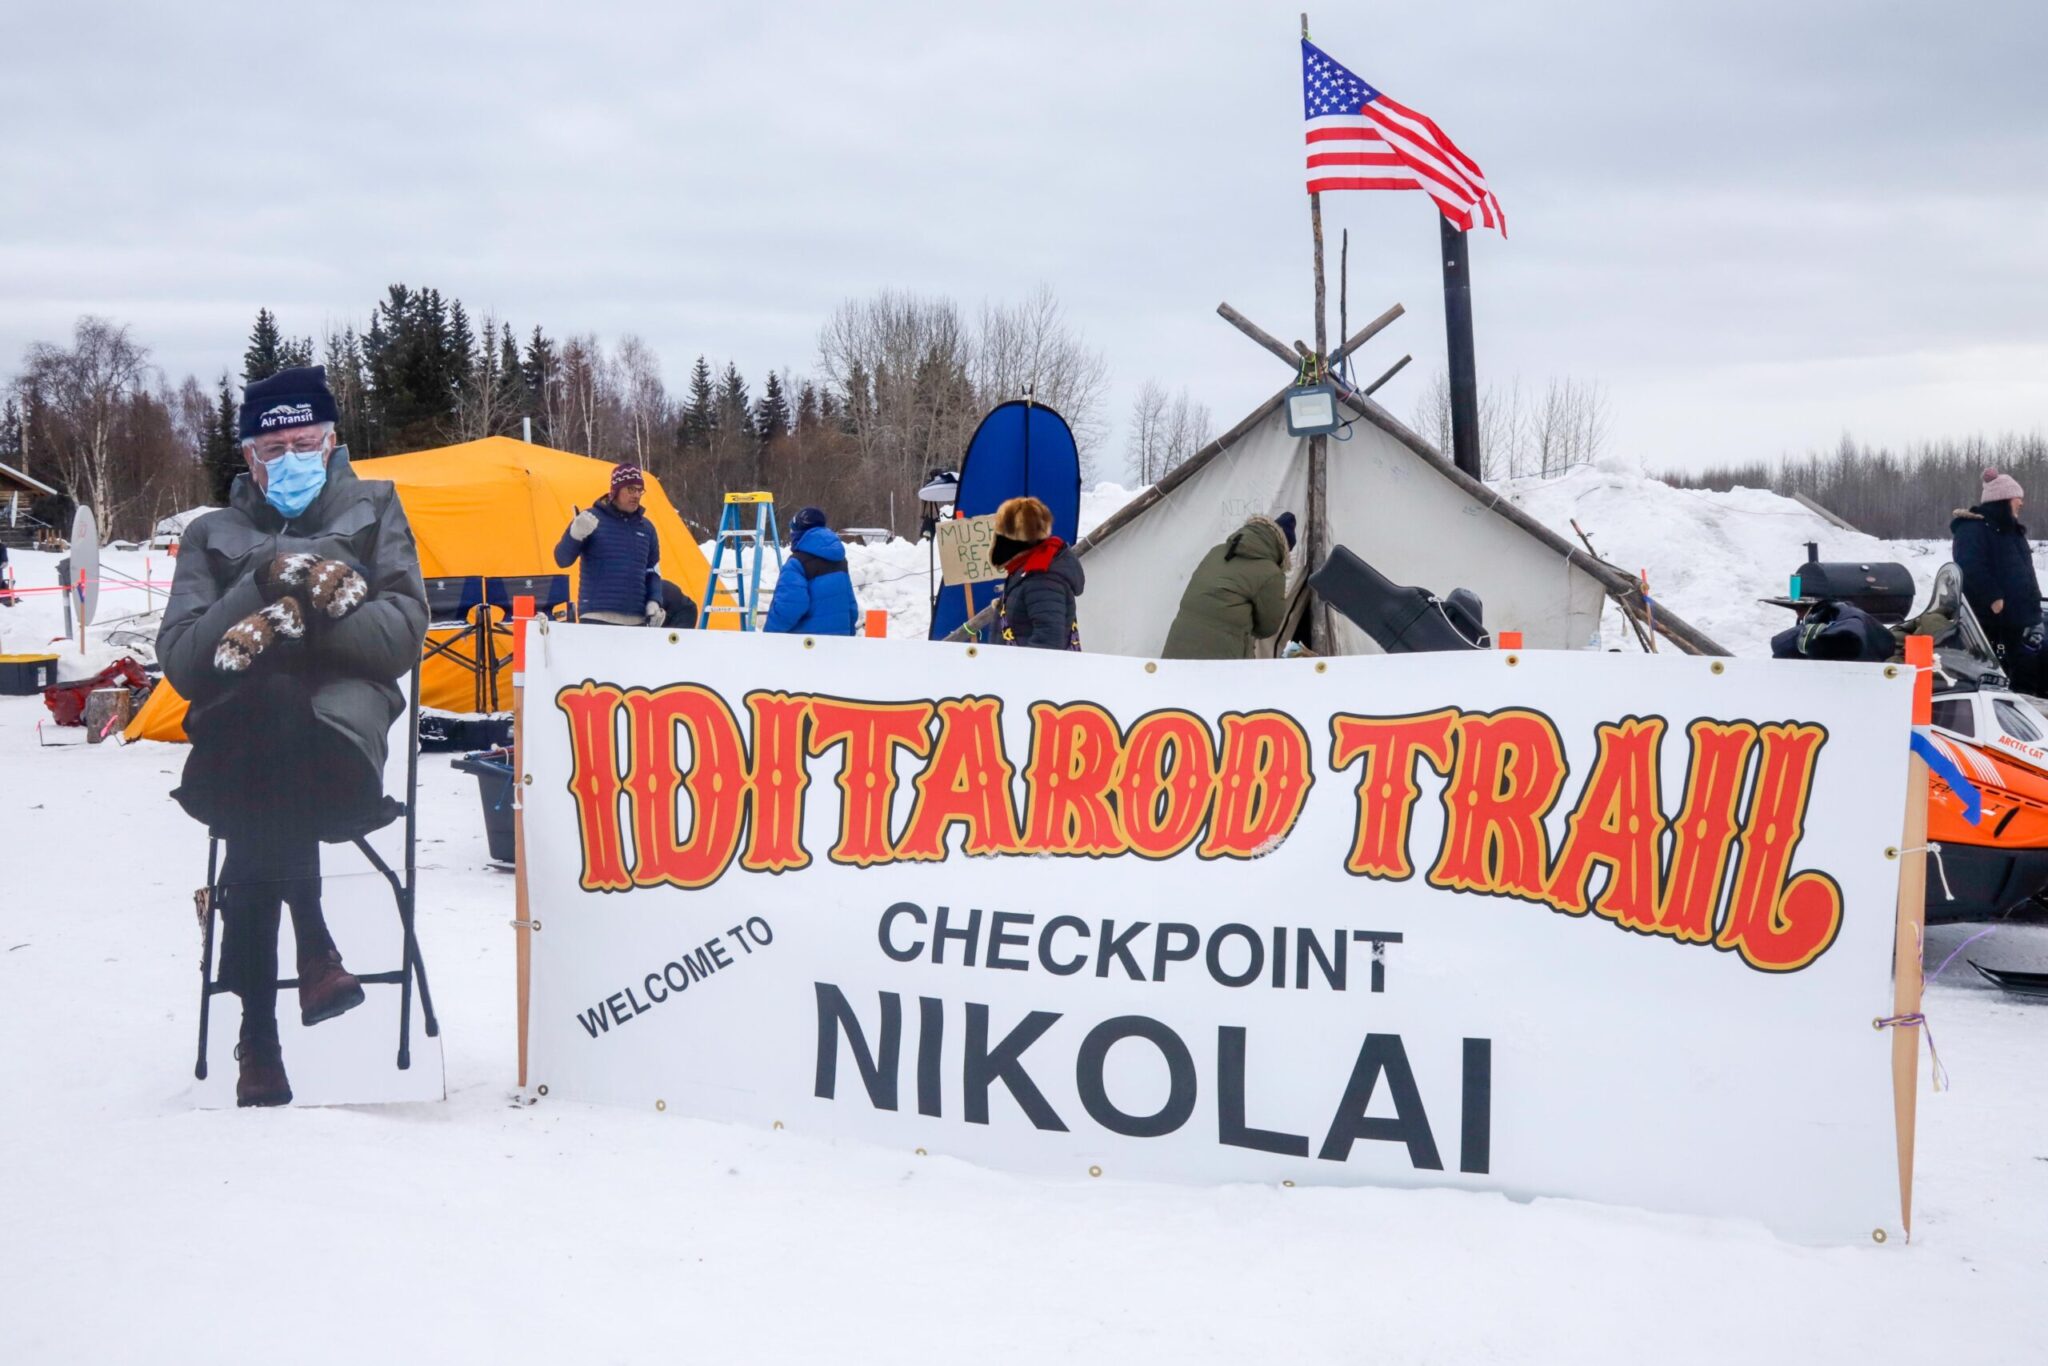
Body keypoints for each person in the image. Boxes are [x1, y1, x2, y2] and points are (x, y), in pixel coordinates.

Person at [157, 366, 428, 1108]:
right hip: (240, 757)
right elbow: (183, 662)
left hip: (335, 754)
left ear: (332, 440)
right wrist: (263, 580)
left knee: (270, 715)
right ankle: (314, 949)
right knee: (268, 718)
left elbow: (401, 638)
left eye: (304, 441)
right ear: (248, 456)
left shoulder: (375, 509)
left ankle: (259, 1035)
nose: (289, 458)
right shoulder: (212, 534)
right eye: (272, 448)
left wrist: (306, 600)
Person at [1953, 469, 2044, 693]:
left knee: (2027, 671)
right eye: (2017, 498)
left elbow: (2023, 571)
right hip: (1993, 622)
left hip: (2021, 619)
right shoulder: (1973, 529)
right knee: (2002, 674)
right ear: (2003, 500)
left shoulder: (2011, 531)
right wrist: (1993, 597)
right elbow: (1970, 565)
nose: (2021, 503)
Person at [1161, 512, 1295, 660]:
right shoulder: (1271, 573)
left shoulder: (1217, 551)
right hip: (1221, 656)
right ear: (1283, 549)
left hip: (1177, 645)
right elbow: (1268, 627)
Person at [555, 463, 663, 626]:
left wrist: (654, 601)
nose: (636, 495)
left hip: (636, 621)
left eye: (639, 490)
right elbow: (562, 560)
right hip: (597, 617)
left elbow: (653, 571)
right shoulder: (589, 519)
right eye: (630, 489)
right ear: (616, 490)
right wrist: (574, 535)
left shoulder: (647, 528)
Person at [991, 496, 1084, 650]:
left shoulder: (1043, 579)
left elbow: (1049, 640)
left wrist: (1021, 671)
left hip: (1029, 671)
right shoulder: (1026, 569)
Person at [763, 506, 859, 636]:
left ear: (797, 532)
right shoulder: (839, 561)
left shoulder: (796, 564)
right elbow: (851, 606)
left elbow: (789, 607)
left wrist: (768, 635)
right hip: (838, 645)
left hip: (807, 647)